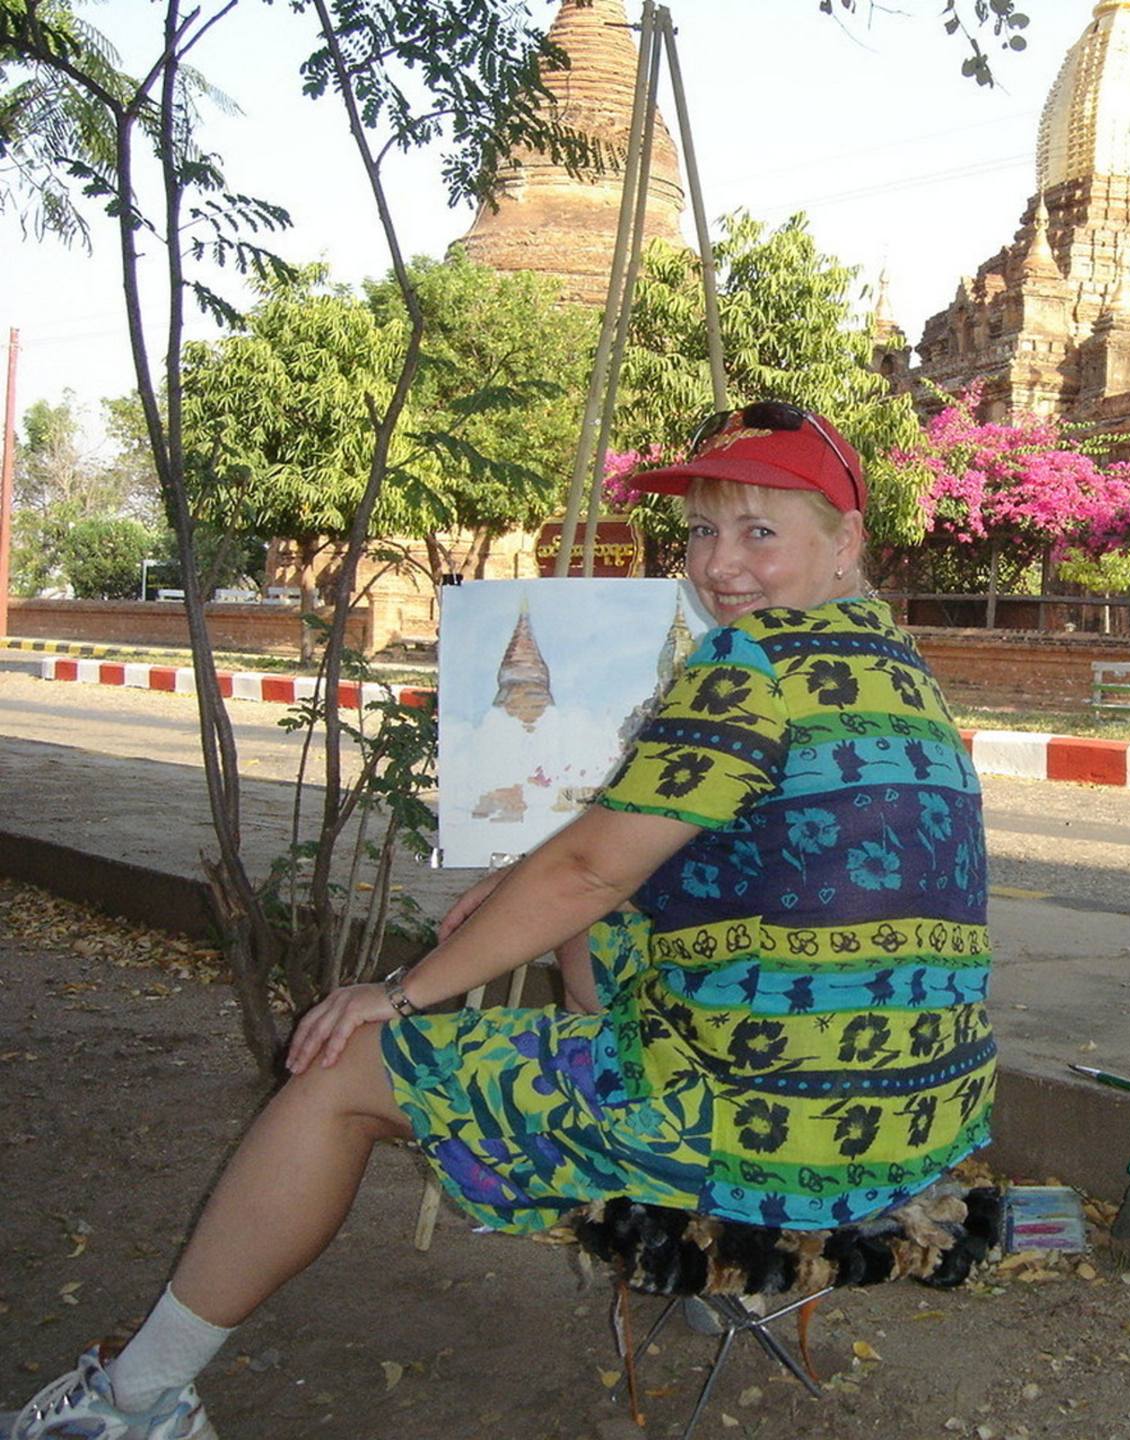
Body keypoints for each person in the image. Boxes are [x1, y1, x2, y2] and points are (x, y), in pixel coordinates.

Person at [3, 403, 997, 1440]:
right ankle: (699, 1261)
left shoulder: (749, 667)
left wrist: (398, 992)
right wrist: (548, 880)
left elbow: (586, 870)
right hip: (921, 1122)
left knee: (341, 1076)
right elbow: (624, 867)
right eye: (703, 531)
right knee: (605, 931)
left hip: (776, 1133)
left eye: (760, 533)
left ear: (844, 544)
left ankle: (135, 1400)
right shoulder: (902, 670)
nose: (720, 565)